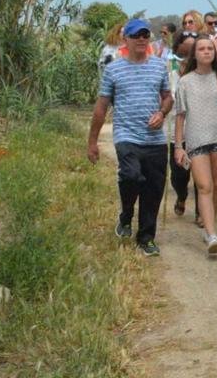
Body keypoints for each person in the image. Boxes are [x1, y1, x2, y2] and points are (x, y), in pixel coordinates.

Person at [87, 18, 173, 257]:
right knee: (131, 175)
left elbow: (168, 97)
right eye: (137, 35)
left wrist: (162, 112)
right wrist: (92, 142)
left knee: (154, 189)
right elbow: (102, 106)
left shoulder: (158, 66)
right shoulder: (113, 69)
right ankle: (126, 214)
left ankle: (146, 238)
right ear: (126, 39)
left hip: (155, 139)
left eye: (146, 35)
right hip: (127, 135)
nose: (142, 39)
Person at [173, 35, 217, 253]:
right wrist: (178, 145)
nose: (206, 52)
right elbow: (180, 116)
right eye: (202, 49)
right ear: (194, 53)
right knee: (204, 186)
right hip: (196, 140)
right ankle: (212, 234)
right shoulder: (185, 82)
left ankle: (208, 225)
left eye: (210, 49)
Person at [166, 30, 198, 218]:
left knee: (203, 177)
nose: (188, 54)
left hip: (202, 133)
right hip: (178, 134)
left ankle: (201, 213)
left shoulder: (205, 74)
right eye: (184, 50)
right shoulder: (170, 75)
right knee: (179, 176)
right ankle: (181, 195)